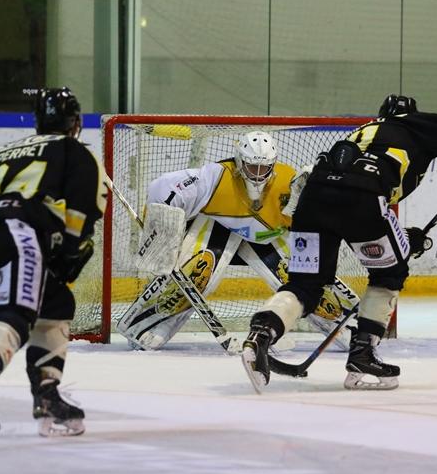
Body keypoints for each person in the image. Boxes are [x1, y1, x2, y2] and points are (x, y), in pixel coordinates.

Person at [242, 94, 437, 391]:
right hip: (363, 194)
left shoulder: (365, 132)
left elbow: (354, 214)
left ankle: (261, 334)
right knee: (389, 274)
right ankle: (363, 353)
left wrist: (403, 240)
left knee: (305, 285)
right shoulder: (415, 125)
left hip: (314, 196)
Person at [0, 87, 107, 441]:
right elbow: (80, 213)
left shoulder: (4, 153)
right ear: (75, 123)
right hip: (18, 232)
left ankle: (47, 395)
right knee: (15, 312)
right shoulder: (74, 152)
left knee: (56, 302)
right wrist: (67, 251)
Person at [117, 131, 360, 352]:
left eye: (263, 168)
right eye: (251, 167)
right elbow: (162, 188)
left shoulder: (291, 181)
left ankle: (351, 329)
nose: (257, 174)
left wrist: (310, 203)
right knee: (197, 272)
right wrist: (163, 232)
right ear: (239, 161)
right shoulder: (215, 177)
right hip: (218, 228)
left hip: (267, 237)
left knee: (299, 279)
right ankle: (144, 327)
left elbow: (308, 225)